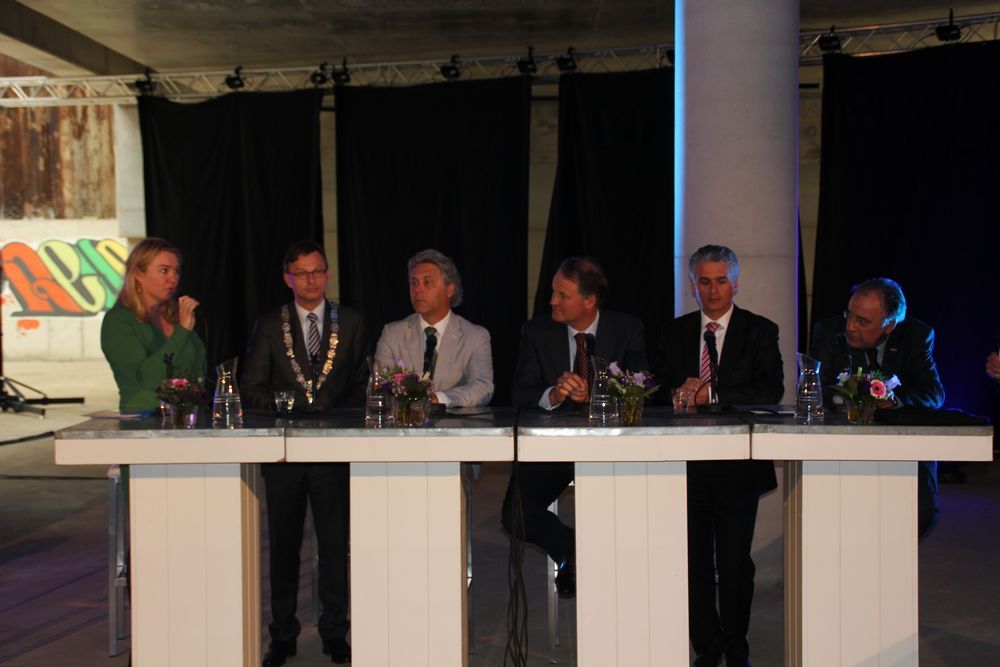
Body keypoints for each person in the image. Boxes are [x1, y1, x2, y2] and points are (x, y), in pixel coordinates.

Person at [241, 240, 369, 666]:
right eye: (302, 274)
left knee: (334, 545)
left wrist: (333, 412)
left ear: (327, 273)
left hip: (333, 450)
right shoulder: (268, 325)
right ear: (288, 278)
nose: (312, 280)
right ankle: (282, 634)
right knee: (283, 545)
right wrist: (289, 405)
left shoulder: (351, 322)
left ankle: (335, 631)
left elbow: (362, 382)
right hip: (285, 452)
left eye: (318, 271)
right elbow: (251, 388)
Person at [655, 244, 783, 667]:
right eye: (705, 282)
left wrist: (711, 394)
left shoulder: (759, 330)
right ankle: (707, 648)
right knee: (693, 563)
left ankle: (735, 645)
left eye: (721, 281)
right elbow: (653, 389)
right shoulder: (674, 332)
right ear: (693, 285)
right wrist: (678, 394)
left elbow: (769, 390)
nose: (713, 291)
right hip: (685, 465)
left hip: (737, 468)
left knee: (734, 565)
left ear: (736, 283)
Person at [501, 256, 647, 597]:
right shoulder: (537, 331)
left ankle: (610, 573)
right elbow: (519, 393)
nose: (552, 300)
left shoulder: (626, 329)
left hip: (610, 448)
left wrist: (596, 394)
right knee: (515, 515)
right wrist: (552, 395)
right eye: (553, 292)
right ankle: (575, 549)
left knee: (634, 512)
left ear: (589, 300)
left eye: (562, 295)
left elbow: (642, 387)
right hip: (553, 446)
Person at [810, 277, 945, 537]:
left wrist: (894, 401)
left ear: (890, 325)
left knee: (920, 511)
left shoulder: (916, 336)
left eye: (863, 321)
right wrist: (854, 398)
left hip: (903, 441)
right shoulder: (828, 331)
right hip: (843, 439)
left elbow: (934, 393)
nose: (850, 326)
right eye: (849, 315)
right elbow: (815, 387)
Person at [374, 249, 493, 406]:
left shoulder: (475, 336)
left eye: (427, 282)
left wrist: (439, 399)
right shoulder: (392, 334)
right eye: (414, 283)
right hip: (403, 420)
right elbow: (381, 385)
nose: (417, 290)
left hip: (454, 421)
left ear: (450, 289)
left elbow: (483, 386)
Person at [101, 237, 206, 413]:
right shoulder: (118, 321)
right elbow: (147, 378)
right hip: (145, 418)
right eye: (164, 270)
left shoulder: (176, 316)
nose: (173, 278)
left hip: (189, 417)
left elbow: (198, 372)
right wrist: (182, 332)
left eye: (177, 271)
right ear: (139, 274)